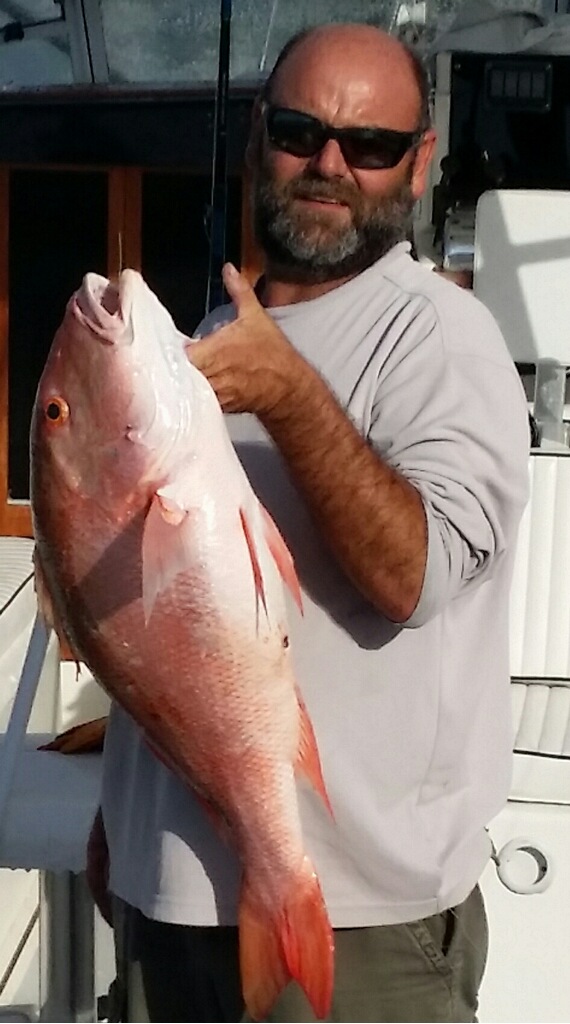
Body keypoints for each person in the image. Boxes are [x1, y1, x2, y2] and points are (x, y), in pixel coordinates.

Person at [89, 22, 530, 1024]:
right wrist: (124, 809)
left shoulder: (441, 337)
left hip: (354, 923)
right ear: (257, 136)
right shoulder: (209, 337)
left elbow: (415, 576)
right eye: (299, 131)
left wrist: (290, 399)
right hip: (168, 901)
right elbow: (169, 617)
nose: (329, 164)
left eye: (369, 145)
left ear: (417, 167)